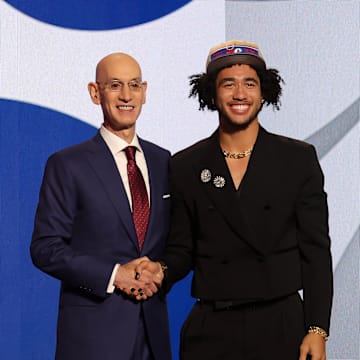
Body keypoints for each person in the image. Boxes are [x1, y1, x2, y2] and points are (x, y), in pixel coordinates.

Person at [137, 40, 333, 360]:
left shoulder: (297, 159)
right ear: (212, 94)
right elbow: (182, 249)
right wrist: (159, 269)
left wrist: (317, 329)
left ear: (264, 91)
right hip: (211, 329)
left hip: (281, 324)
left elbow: (316, 251)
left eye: (250, 83)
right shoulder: (186, 165)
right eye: (228, 84)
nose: (240, 94)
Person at [30, 52, 172, 360]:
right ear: (96, 93)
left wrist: (161, 269)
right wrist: (114, 274)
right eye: (115, 85)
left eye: (134, 85)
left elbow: (174, 242)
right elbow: (45, 248)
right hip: (93, 338)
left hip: (153, 334)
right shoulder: (67, 164)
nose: (126, 95)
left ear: (144, 92)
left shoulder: (163, 161)